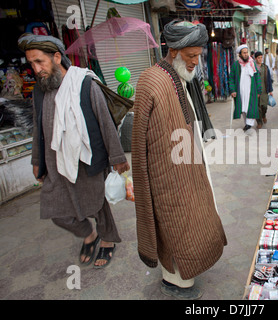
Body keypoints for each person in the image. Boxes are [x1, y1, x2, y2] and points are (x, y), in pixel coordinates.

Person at [131, 20, 227, 300]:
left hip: (187, 166)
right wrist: (141, 182)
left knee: (194, 220)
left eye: (198, 55)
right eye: (191, 56)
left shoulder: (180, 76)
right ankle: (174, 282)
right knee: (174, 226)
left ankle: (187, 269)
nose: (196, 62)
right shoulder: (150, 80)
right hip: (165, 175)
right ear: (173, 51)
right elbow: (138, 143)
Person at [18, 33, 130, 268]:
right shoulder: (40, 90)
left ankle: (108, 240)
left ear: (57, 57)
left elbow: (105, 122)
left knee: (97, 204)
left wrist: (117, 157)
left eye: (40, 61)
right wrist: (37, 161)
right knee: (56, 210)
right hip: (55, 161)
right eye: (31, 63)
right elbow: (38, 127)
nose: (36, 69)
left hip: (88, 158)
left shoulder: (85, 83)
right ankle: (90, 235)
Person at [229, 44, 262, 131]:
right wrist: (232, 90)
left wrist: (259, 90)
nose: (246, 54)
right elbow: (231, 78)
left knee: (250, 107)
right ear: (239, 54)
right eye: (244, 53)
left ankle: (249, 124)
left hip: (251, 90)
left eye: (246, 52)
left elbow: (257, 77)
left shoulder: (252, 64)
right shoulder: (235, 65)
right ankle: (247, 123)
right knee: (243, 108)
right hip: (240, 91)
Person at [254, 51, 274, 128]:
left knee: (264, 106)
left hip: (264, 90)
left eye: (261, 57)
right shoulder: (253, 67)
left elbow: (268, 79)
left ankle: (263, 115)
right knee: (257, 107)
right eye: (258, 58)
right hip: (256, 91)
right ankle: (259, 122)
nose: (260, 59)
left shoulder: (265, 67)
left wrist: (270, 90)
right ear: (255, 59)